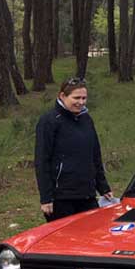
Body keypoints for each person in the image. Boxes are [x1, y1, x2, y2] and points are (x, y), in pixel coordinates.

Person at [35, 77, 113, 221]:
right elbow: (42, 160)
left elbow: (95, 155)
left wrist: (103, 187)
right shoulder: (49, 121)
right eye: (76, 98)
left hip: (87, 194)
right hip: (61, 198)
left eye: (84, 98)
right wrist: (46, 198)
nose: (81, 102)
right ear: (63, 96)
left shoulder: (86, 119)